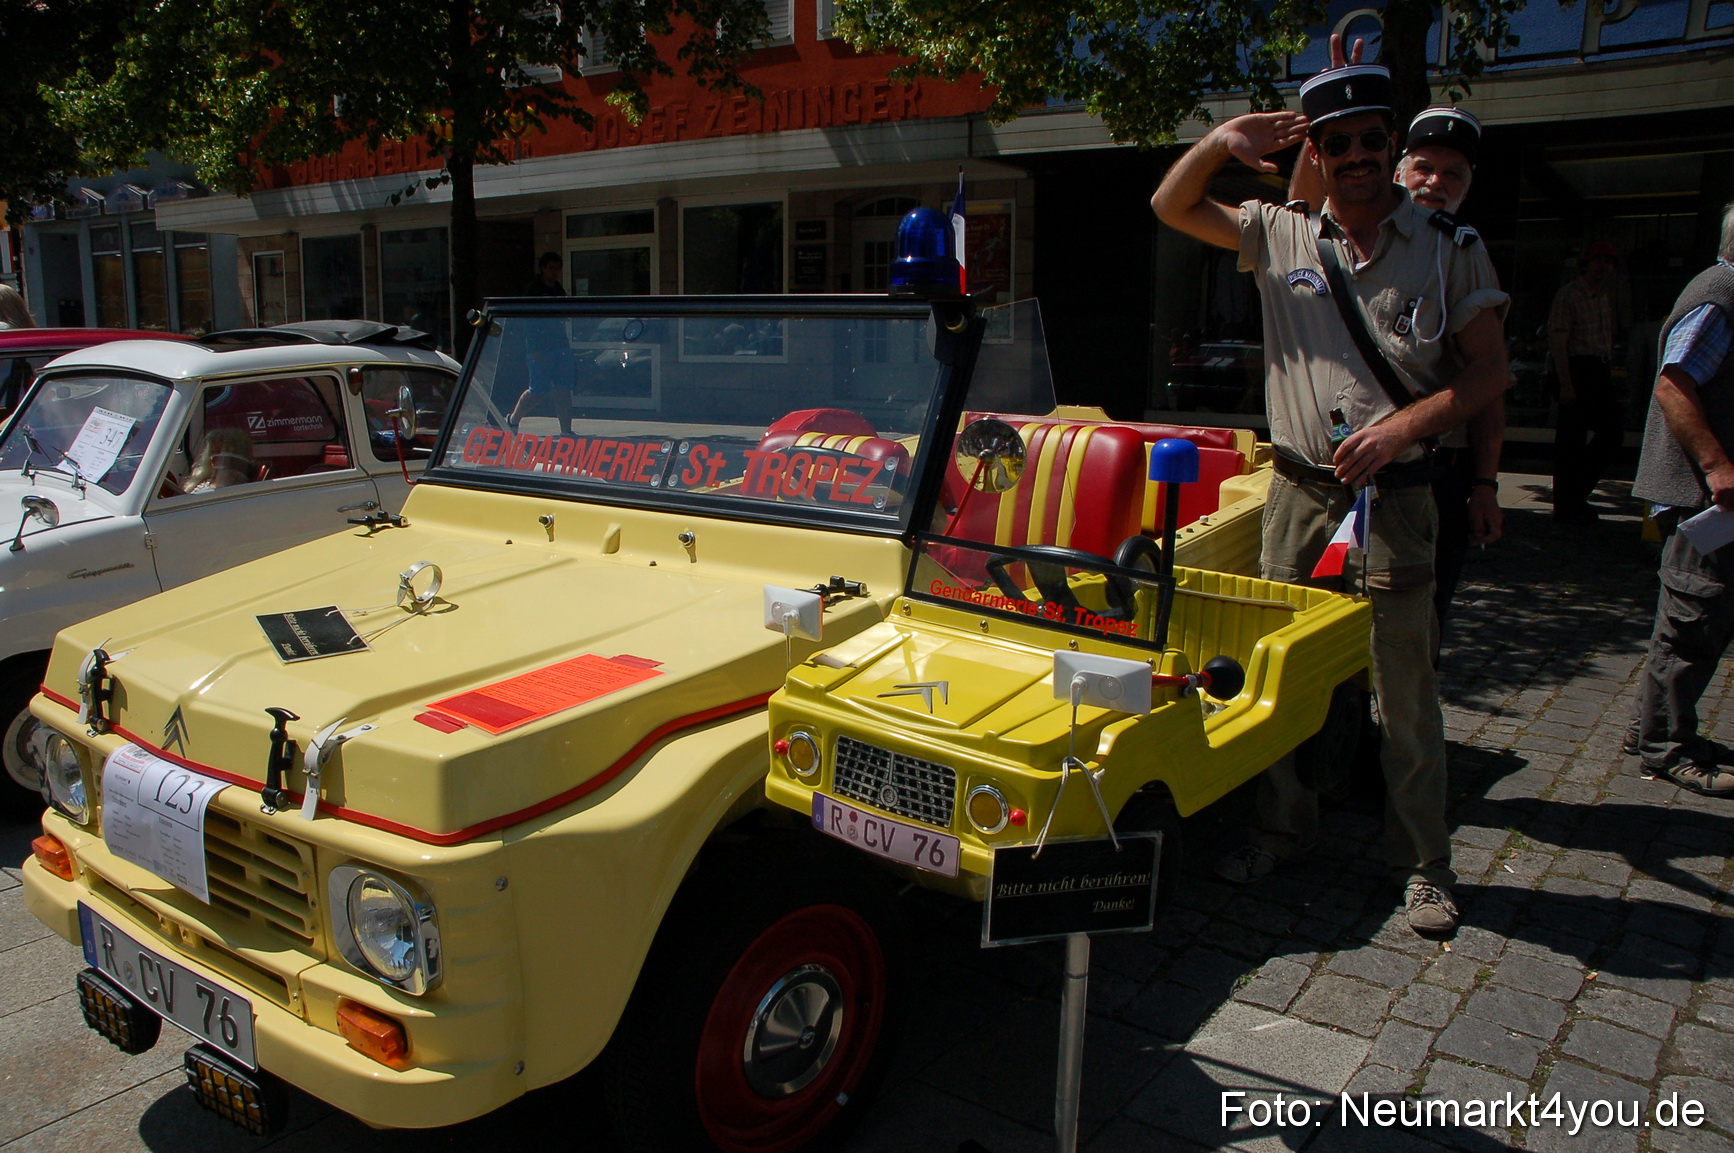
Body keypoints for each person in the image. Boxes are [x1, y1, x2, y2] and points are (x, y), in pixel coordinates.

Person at [1151, 62, 1509, 935]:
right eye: (1335, 141)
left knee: (1404, 686)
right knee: (1278, 673)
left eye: (1370, 140)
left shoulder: (1447, 246)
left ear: (1393, 146)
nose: (1355, 155)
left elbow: (1490, 370)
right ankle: (1282, 827)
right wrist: (1221, 142)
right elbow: (1170, 205)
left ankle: (1424, 865)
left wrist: (1401, 429)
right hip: (1299, 492)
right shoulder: (1279, 234)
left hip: (1398, 495)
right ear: (1315, 149)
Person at [1295, 90, 1506, 632]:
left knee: (1412, 627)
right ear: (1399, 165)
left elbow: (1486, 380)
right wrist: (1323, 122)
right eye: (1425, 168)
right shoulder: (1345, 235)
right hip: (1336, 473)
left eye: (1453, 174)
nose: (1436, 183)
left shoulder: (1459, 252)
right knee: (1325, 624)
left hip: (1429, 474)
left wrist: (1485, 483)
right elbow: (1294, 216)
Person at [1624, 202, 1734, 796]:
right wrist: (1717, 464)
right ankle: (1666, 747)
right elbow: (1674, 382)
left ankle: (1653, 728)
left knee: (1699, 615)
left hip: (1712, 494)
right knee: (1694, 615)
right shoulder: (1721, 295)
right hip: (1707, 497)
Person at [1549, 240, 1621, 522]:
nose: (1603, 268)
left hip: (1598, 368)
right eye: (1598, 261)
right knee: (1571, 440)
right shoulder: (1570, 295)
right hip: (1576, 368)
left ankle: (1576, 493)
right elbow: (1558, 338)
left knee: (1612, 433)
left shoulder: (1604, 296)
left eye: (1608, 262)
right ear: (1586, 264)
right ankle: (1567, 504)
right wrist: (1566, 382)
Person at [183, 428, 257, 492]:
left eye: (219, 454)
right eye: (212, 453)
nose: (213, 459)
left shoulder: (242, 487)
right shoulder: (200, 477)